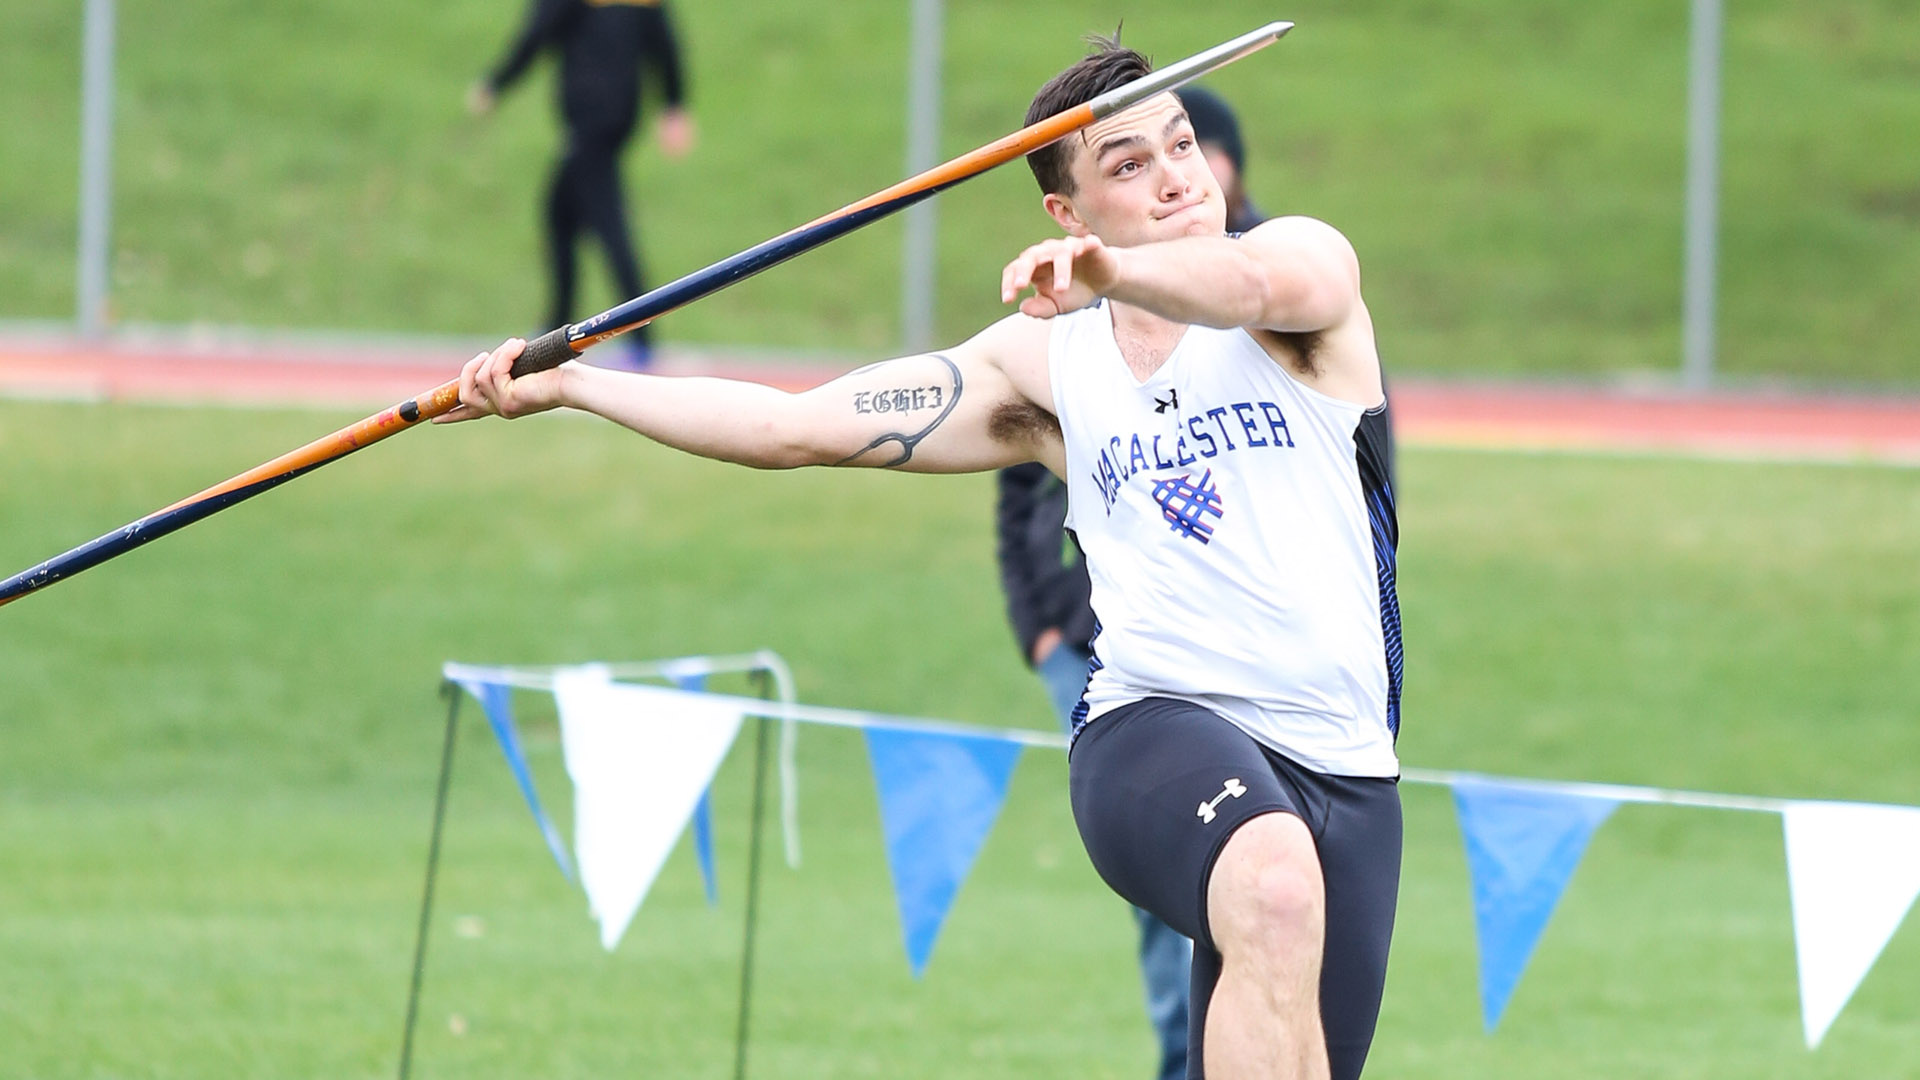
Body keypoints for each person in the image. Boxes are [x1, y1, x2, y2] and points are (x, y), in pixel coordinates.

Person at [442, 34, 1403, 1080]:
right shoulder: (1043, 366)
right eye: (1129, 165)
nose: (1178, 175)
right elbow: (792, 427)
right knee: (1273, 885)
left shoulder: (1306, 280)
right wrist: (575, 386)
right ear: (1065, 214)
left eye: (1181, 144)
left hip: (1344, 769)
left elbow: (1256, 280)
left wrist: (1119, 269)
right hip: (1153, 728)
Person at [995, 459, 1193, 1080]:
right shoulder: (1060, 361)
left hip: (1205, 644)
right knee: (1152, 864)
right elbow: (1014, 494)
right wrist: (1038, 631)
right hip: (1084, 650)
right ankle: (1183, 1059)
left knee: (1241, 866)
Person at [469, 0, 693, 369]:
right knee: (560, 214)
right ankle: (557, 333)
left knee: (609, 227)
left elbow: (538, 32)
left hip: (590, 123)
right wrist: (673, 104)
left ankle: (640, 341)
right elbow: (663, 41)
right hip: (616, 119)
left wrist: (495, 83)